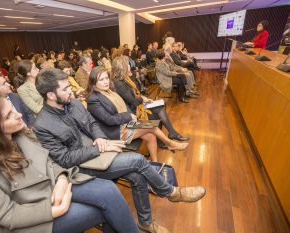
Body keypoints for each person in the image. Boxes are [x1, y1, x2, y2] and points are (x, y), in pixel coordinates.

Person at [34, 68, 206, 233]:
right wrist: (98, 148)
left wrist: (101, 139)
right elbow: (65, 159)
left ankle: (146, 222)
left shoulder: (75, 104)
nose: (71, 90)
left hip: (99, 153)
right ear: (50, 95)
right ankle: (171, 192)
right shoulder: (42, 125)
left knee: (138, 176)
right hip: (81, 168)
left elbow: (93, 124)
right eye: (65, 89)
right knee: (137, 160)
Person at [0, 88, 140, 233]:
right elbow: (6, 215)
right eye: (8, 116)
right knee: (103, 210)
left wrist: (61, 179)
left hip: (55, 187)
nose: (19, 115)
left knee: (108, 191)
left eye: (12, 109)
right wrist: (56, 210)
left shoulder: (22, 133)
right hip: (32, 213)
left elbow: (49, 161)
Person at [87, 67, 189, 162]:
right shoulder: (93, 99)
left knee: (151, 136)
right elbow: (108, 119)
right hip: (115, 134)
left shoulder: (109, 91)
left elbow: (123, 107)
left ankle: (155, 163)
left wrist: (131, 116)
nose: (106, 82)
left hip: (124, 125)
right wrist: (129, 116)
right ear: (94, 82)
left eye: (106, 78)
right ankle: (170, 143)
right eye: (101, 80)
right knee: (152, 126)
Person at [112, 56, 189, 140]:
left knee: (160, 105)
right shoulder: (119, 83)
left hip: (135, 106)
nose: (130, 66)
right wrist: (144, 99)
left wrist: (144, 98)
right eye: (127, 64)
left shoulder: (124, 79)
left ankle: (169, 134)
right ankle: (169, 135)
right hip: (132, 112)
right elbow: (133, 101)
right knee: (158, 110)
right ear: (122, 67)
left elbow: (136, 95)